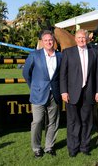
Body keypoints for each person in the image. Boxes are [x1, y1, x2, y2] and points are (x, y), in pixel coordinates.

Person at [60, 29, 98, 157]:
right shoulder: (68, 52)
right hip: (72, 93)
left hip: (89, 92)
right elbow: (63, 74)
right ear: (75, 39)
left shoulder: (94, 53)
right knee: (73, 122)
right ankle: (73, 149)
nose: (81, 40)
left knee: (87, 122)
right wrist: (64, 91)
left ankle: (85, 147)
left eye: (83, 37)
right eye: (79, 37)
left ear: (87, 38)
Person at [23, 30, 62, 158]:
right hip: (38, 94)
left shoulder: (60, 56)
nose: (48, 42)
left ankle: (49, 146)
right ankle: (36, 148)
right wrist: (33, 87)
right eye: (45, 40)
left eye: (50, 40)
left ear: (54, 41)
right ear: (42, 42)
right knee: (38, 121)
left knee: (53, 122)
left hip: (54, 94)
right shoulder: (34, 55)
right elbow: (26, 73)